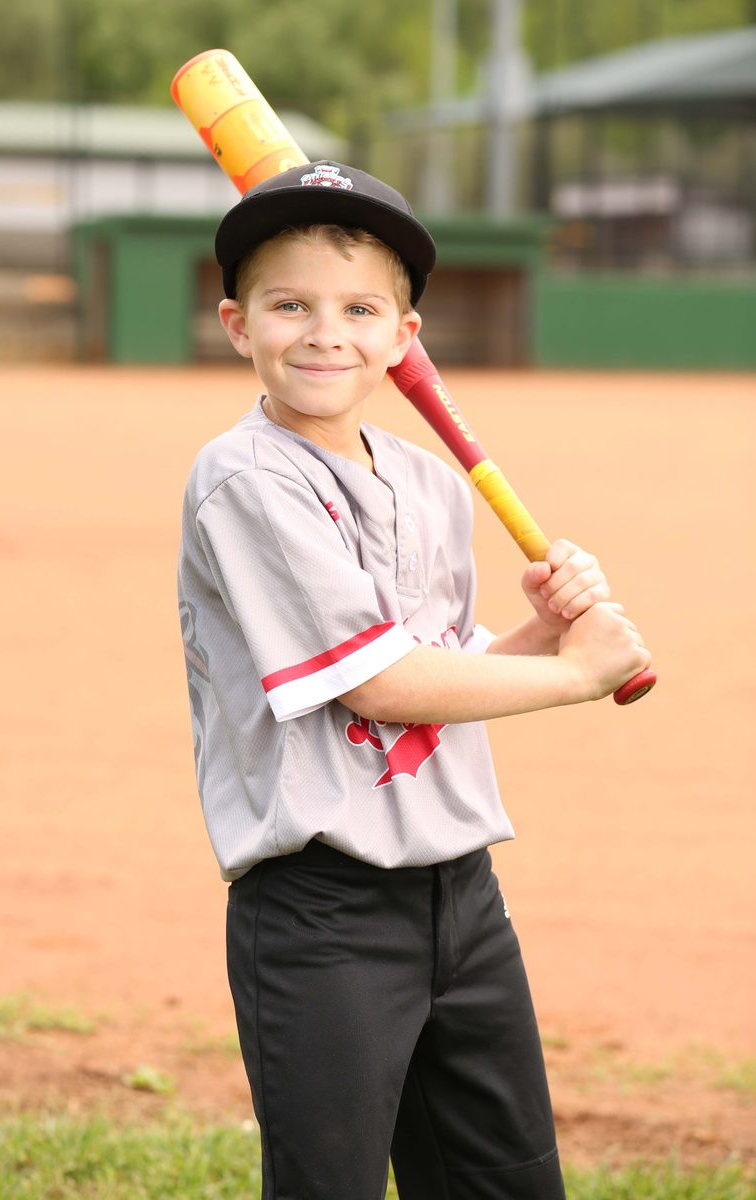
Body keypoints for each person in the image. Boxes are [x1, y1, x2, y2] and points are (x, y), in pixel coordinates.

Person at [177, 160, 651, 1200]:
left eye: (358, 308)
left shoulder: (430, 484)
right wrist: (575, 676)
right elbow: (376, 688)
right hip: (322, 913)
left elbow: (439, 674)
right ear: (234, 323)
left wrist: (538, 633)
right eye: (288, 304)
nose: (322, 332)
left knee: (505, 1179)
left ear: (403, 339)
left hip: (462, 900)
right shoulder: (246, 478)